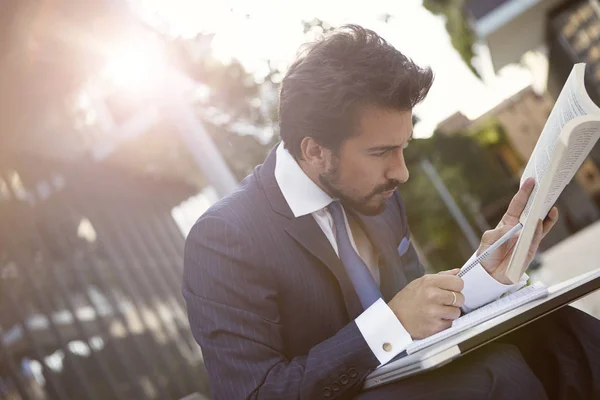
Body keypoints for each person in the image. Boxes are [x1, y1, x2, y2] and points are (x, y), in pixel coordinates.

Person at [182, 25, 600, 399]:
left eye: (403, 148)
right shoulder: (224, 238)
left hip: (416, 372)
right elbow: (254, 393)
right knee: (496, 376)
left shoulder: (378, 197)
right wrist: (391, 324)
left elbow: (418, 306)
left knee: (566, 336)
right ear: (314, 151)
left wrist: (486, 274)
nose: (400, 172)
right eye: (381, 152)